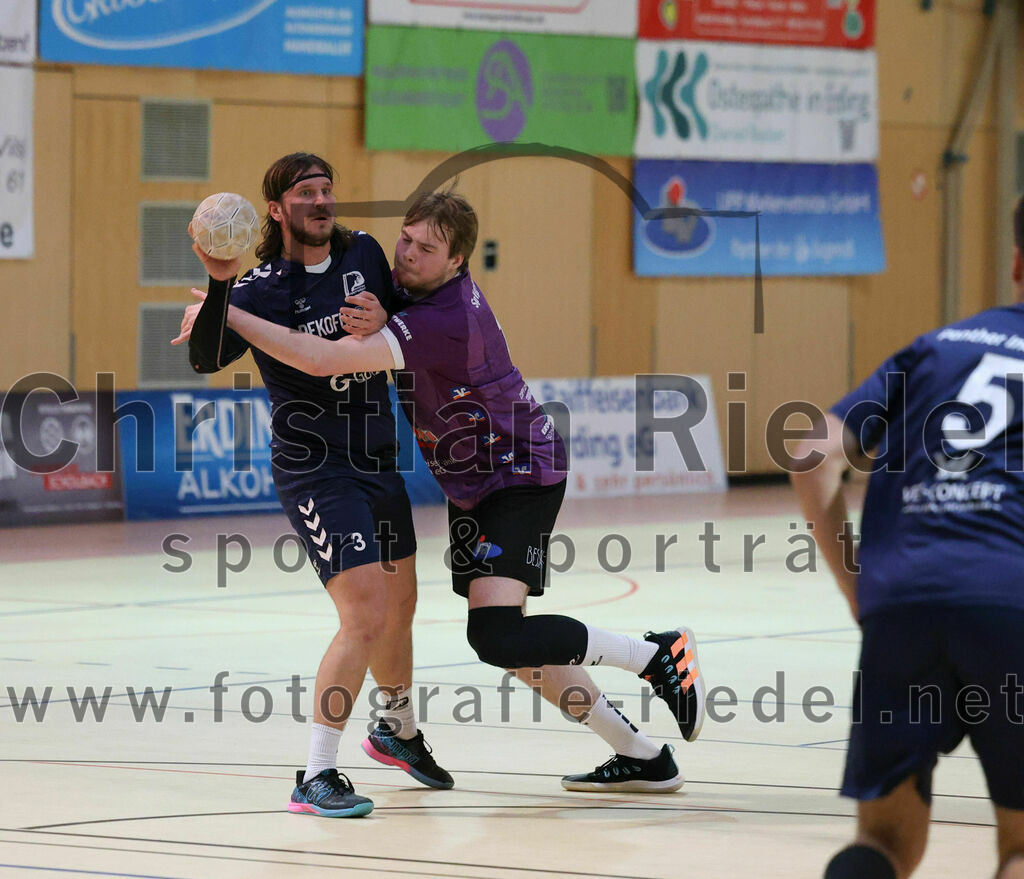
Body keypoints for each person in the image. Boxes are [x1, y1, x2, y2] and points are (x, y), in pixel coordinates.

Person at [179, 187, 706, 792]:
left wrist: (225, 310)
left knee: (497, 634)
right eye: (404, 239)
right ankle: (640, 755)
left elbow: (326, 361)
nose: (406, 255)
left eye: (426, 249)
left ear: (457, 262)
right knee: (512, 644)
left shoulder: (443, 317)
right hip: (474, 485)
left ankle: (654, 654)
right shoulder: (409, 288)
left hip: (520, 474)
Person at [172, 153, 452, 819]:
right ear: (276, 209)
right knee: (363, 615)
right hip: (317, 470)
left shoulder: (365, 252)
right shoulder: (261, 286)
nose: (321, 199)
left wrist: (383, 315)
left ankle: (397, 729)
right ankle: (316, 772)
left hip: (379, 457)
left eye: (327, 189)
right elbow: (205, 355)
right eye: (305, 192)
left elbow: (412, 316)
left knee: (400, 609)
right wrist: (218, 284)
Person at [789, 196, 1024, 878]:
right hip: (1010, 602)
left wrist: (863, 589)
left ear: (1014, 261)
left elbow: (811, 455)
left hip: (904, 603)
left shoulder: (935, 347)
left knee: (884, 842)